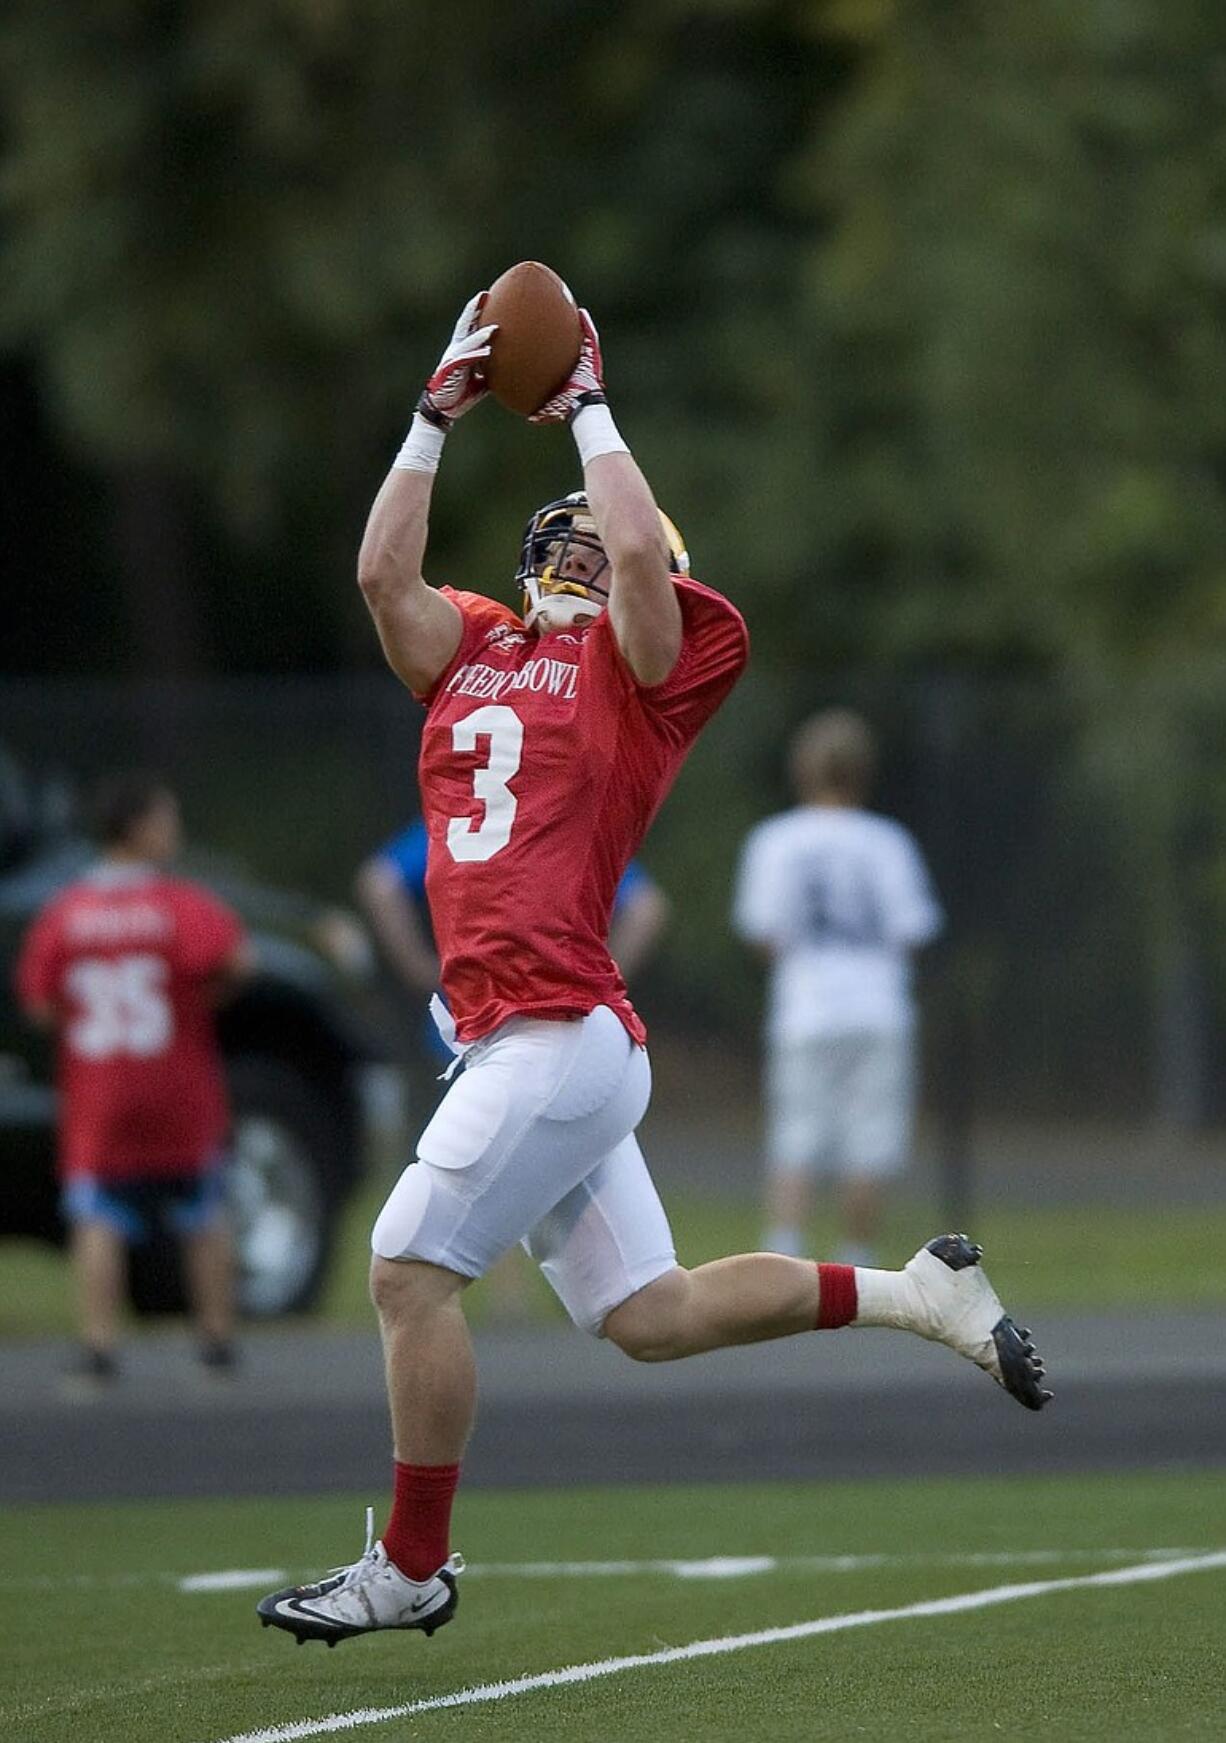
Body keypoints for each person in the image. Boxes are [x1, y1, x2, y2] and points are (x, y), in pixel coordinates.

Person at [257, 290, 1051, 1649]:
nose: (569, 535)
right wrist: (430, 415)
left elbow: (635, 558)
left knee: (402, 1270)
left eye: (593, 526)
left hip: (554, 1028)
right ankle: (919, 1290)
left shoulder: (649, 667)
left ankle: (412, 1562)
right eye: (554, 525)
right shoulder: (469, 648)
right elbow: (381, 578)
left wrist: (586, 410)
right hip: (532, 1035)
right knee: (647, 1311)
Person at [14, 774, 251, 1388]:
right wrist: (202, 1000)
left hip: (99, 1090)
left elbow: (40, 1003)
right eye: (166, 819)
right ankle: (217, 1341)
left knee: (98, 1216)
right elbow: (235, 961)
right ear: (140, 827)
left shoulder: (66, 911)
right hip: (177, 1081)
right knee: (202, 1210)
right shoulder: (179, 904)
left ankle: (99, 1348)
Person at [733, 709, 944, 1267]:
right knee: (869, 1143)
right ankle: (856, 1263)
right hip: (877, 1008)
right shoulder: (887, 842)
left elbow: (763, 931)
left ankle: (785, 1258)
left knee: (796, 1137)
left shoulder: (775, 840)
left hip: (805, 1009)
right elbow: (912, 930)